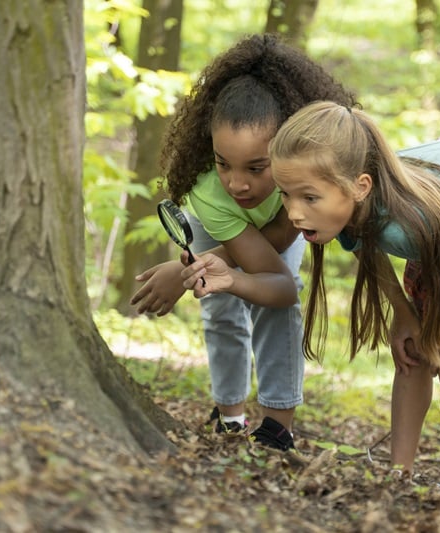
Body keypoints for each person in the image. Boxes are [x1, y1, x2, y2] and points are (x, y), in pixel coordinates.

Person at [266, 101, 440, 504]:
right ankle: (397, 473)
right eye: (286, 195)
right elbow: (367, 249)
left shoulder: (410, 222)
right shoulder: (352, 203)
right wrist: (404, 315)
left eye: (309, 198)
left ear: (359, 187)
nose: (294, 213)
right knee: (413, 348)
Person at [130, 35, 357, 451]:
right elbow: (241, 256)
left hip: (278, 223)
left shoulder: (299, 179)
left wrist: (182, 272)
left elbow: (270, 258)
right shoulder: (209, 191)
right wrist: (195, 273)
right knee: (219, 308)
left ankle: (277, 423)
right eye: (223, 163)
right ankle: (229, 413)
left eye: (256, 167)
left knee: (277, 306)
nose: (237, 182)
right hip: (218, 228)